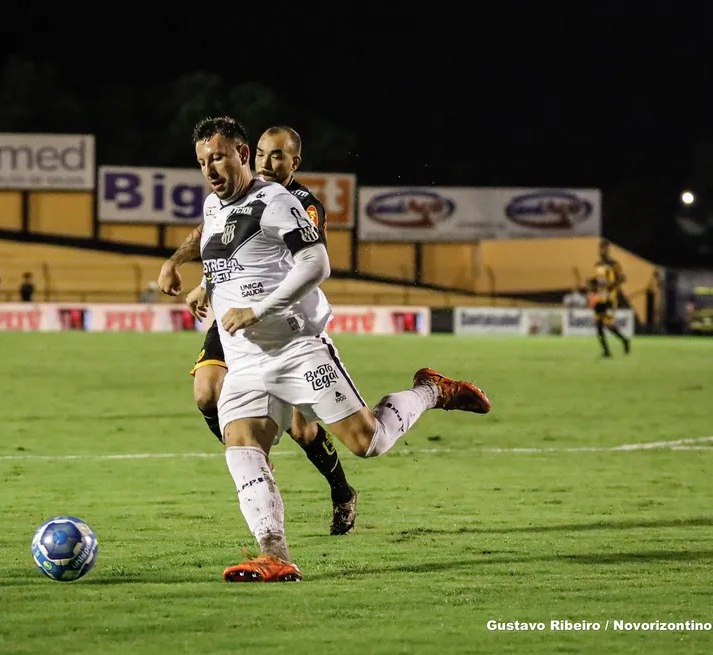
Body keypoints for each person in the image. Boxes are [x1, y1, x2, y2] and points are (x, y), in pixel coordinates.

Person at [171, 116, 491, 582]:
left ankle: (430, 391)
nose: (210, 169)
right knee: (241, 445)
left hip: (297, 348)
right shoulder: (213, 208)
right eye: (202, 161)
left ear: (241, 154)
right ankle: (274, 554)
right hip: (246, 359)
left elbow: (316, 263)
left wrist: (259, 309)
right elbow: (232, 258)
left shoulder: (276, 201)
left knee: (368, 442)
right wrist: (207, 287)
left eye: (218, 157)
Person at [160, 125, 360, 536]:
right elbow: (218, 238)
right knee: (205, 391)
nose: (269, 163)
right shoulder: (228, 199)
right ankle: (256, 460)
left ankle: (341, 489)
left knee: (304, 429)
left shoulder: (298, 204)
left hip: (279, 325)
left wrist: (259, 304)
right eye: (265, 154)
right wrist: (196, 276)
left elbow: (303, 261)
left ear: (294, 163)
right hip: (233, 319)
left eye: (278, 156)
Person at [592, 238, 631, 357]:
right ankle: (606, 351)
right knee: (598, 325)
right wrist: (592, 284)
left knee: (608, 324)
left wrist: (611, 286)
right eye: (600, 248)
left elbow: (622, 278)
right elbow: (597, 281)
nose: (601, 250)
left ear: (608, 250)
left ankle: (624, 340)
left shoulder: (614, 264)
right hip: (599, 298)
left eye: (604, 248)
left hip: (610, 298)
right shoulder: (597, 265)